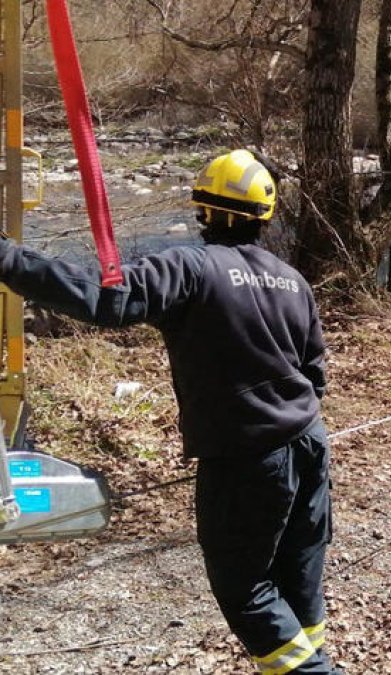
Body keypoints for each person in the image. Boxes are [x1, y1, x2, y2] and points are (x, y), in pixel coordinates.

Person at [0, 149, 338, 674]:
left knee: (245, 589)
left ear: (202, 207)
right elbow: (314, 375)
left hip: (247, 459)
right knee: (299, 577)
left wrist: (8, 258)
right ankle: (313, 660)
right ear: (264, 215)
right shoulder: (293, 281)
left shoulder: (190, 267)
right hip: (310, 446)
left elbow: (104, 300)